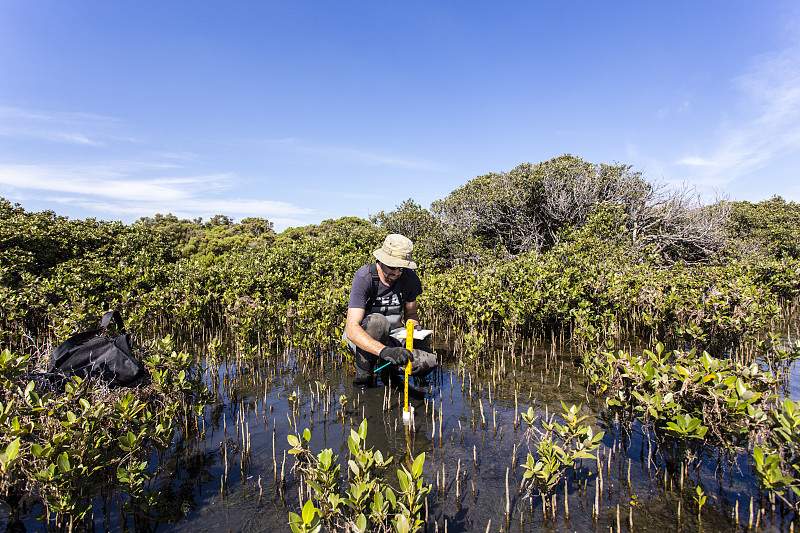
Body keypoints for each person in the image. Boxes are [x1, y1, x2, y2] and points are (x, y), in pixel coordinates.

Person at [344, 234, 438, 386]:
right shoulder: (364, 277)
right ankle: (364, 376)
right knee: (377, 322)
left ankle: (389, 369)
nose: (397, 273)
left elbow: (411, 313)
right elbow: (351, 329)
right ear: (381, 261)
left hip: (395, 335)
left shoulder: (410, 278)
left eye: (401, 268)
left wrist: (413, 329)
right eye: (392, 267)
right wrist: (385, 351)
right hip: (364, 337)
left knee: (428, 361)